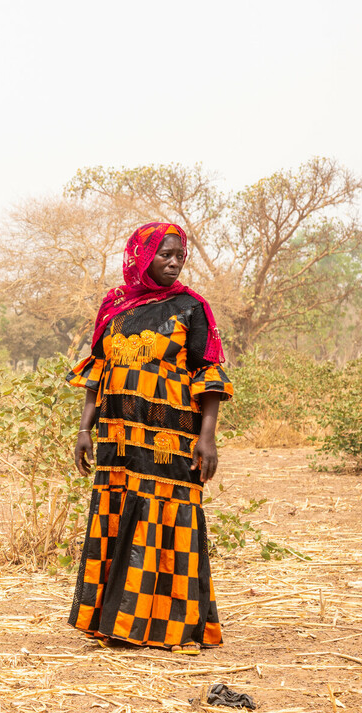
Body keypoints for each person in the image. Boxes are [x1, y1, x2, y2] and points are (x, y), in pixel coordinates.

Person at [67, 221, 232, 654]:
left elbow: (207, 374)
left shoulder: (191, 307)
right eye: (165, 254)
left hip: (170, 436)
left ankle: (172, 628)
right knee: (119, 518)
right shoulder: (115, 307)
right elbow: (97, 373)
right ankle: (116, 622)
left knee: (169, 515)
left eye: (180, 255)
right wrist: (85, 429)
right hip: (118, 438)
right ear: (141, 257)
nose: (175, 262)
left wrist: (208, 437)